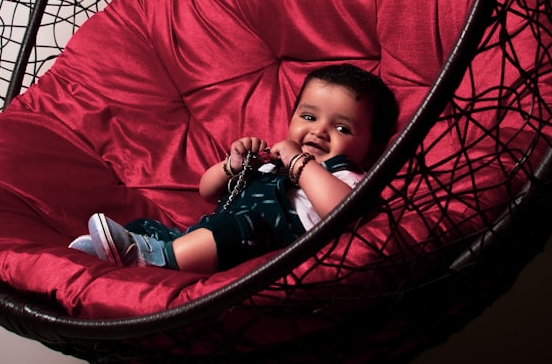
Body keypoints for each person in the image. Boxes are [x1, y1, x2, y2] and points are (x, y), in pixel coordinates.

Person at [69, 63, 399, 274]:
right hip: (211, 238)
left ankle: (151, 258)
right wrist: (234, 165)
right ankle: (134, 250)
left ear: (370, 150)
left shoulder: (346, 177)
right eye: (309, 117)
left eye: (342, 128)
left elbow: (347, 211)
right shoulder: (273, 165)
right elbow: (207, 191)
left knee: (239, 225)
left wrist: (300, 163)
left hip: (266, 248)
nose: (318, 131)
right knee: (151, 226)